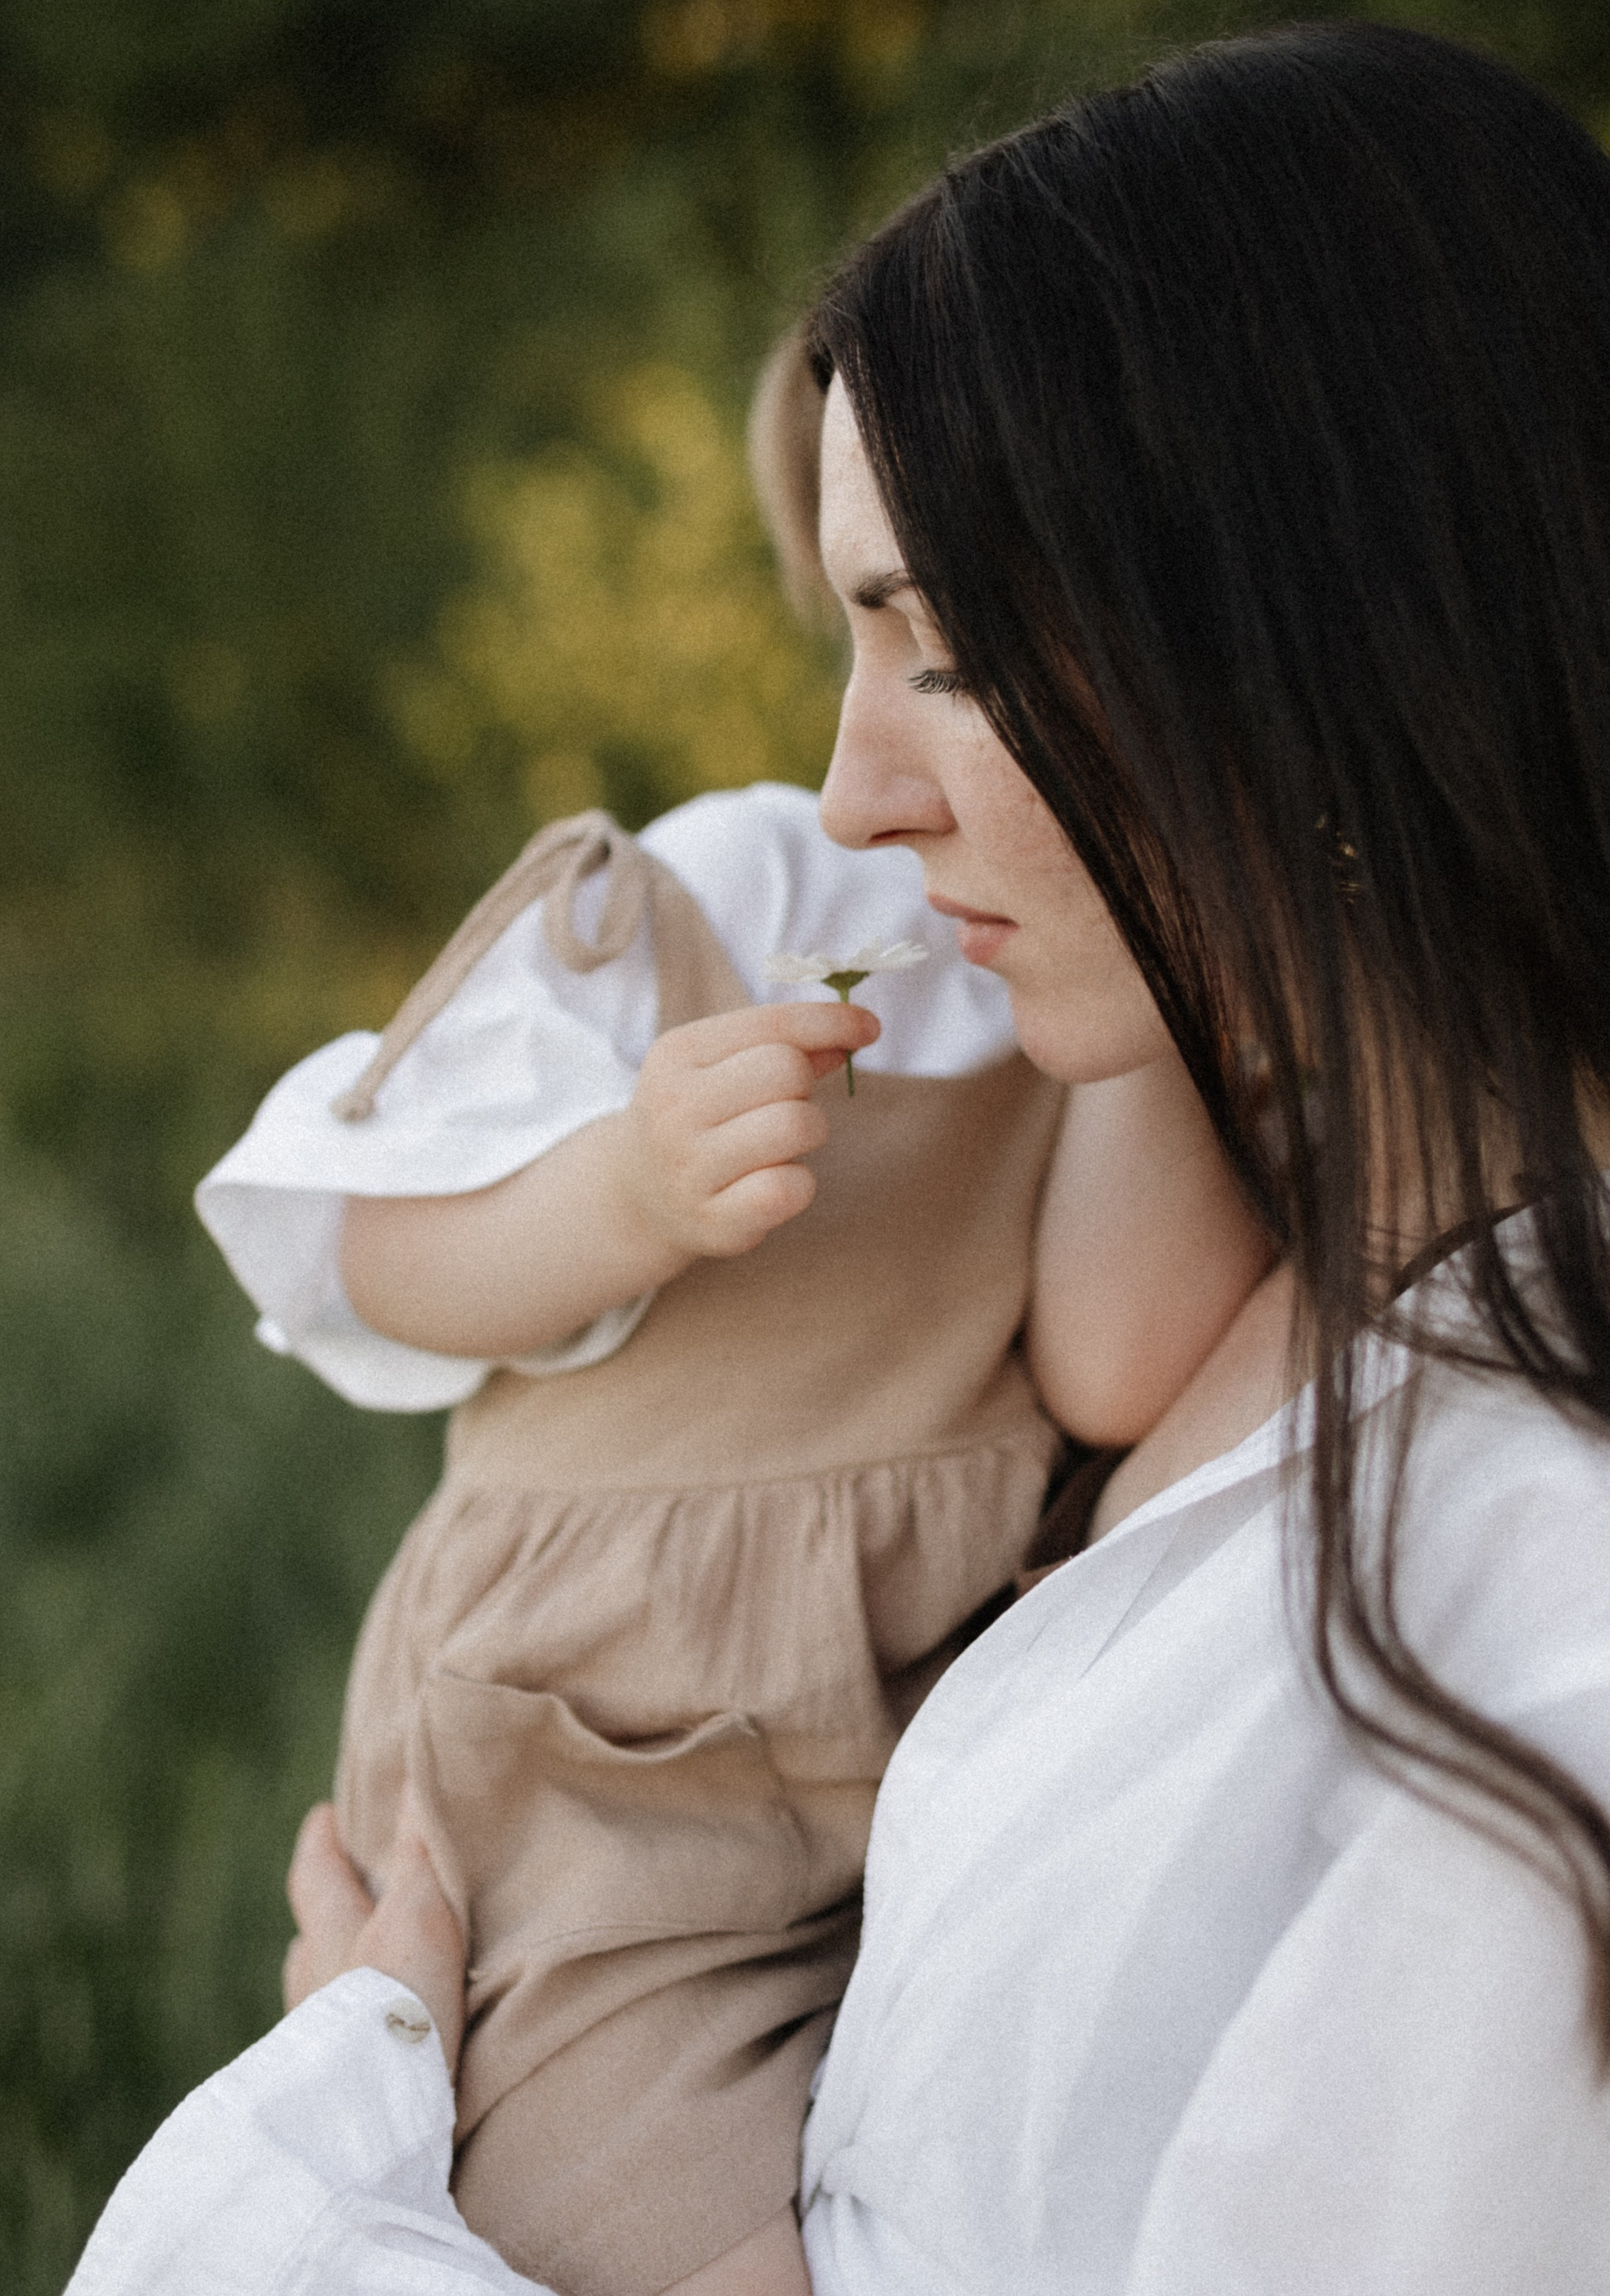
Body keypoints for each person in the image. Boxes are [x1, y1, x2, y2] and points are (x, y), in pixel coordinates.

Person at [68, 21, 1610, 2295]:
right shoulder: (1337, 1246)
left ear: (1326, 639)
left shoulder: (1535, 1614)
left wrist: (340, 2173)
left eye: (947, 654)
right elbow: (334, 1229)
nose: (857, 798)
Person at [190, 332, 1265, 2295]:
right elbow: (342, 1240)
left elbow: (1117, 1352)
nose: (880, 774)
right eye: (869, 631)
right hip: (604, 1760)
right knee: (640, 2202)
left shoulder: (1095, 1003)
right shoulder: (718, 900)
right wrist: (616, 1192)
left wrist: (1169, 987)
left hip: (899, 1699)